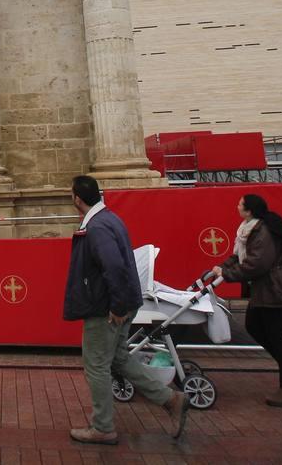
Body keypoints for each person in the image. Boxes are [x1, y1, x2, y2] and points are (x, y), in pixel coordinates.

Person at [63, 175, 188, 445]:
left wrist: (117, 305)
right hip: (123, 302)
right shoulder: (110, 218)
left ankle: (102, 427)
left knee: (96, 365)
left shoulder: (97, 227)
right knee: (119, 359)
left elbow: (114, 266)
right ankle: (171, 399)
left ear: (77, 198)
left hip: (106, 308)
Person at [211, 193, 282, 407]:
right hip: (265, 291)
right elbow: (240, 255)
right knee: (254, 327)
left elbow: (257, 264)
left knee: (276, 337)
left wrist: (227, 275)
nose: (236, 205)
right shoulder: (247, 229)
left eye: (240, 203)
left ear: (249, 210)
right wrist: (223, 267)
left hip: (278, 291)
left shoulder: (262, 231)